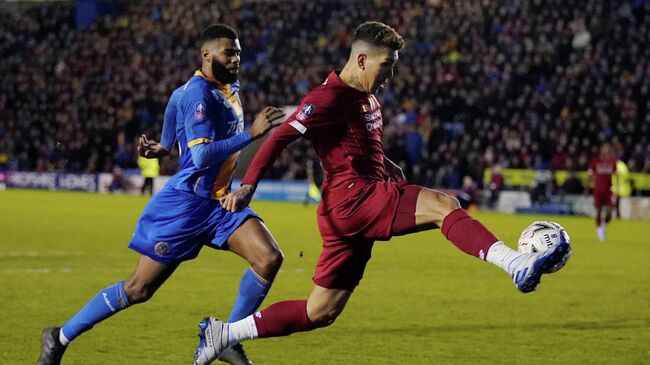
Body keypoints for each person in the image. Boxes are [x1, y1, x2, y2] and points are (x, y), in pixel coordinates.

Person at [192, 22, 571, 364]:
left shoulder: (367, 97)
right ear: (360, 59)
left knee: (320, 311)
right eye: (386, 64)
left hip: (350, 208)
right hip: (354, 199)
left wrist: (387, 164)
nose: (391, 73)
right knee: (444, 205)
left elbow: (360, 144)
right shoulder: (327, 98)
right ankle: (514, 263)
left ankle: (224, 333)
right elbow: (280, 138)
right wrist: (248, 186)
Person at [38, 24, 286, 365]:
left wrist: (165, 146)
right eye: (229, 52)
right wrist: (251, 134)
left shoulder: (218, 88)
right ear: (206, 54)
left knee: (268, 258)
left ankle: (227, 337)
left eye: (239, 52)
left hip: (221, 202)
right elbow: (200, 156)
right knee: (139, 288)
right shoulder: (200, 94)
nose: (236, 58)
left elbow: (174, 110)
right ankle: (59, 337)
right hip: (185, 207)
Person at [587, 143, 617, 241]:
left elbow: (616, 175)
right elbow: (590, 175)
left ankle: (602, 226)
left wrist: (616, 188)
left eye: (607, 149)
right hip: (598, 190)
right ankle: (599, 229)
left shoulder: (612, 162)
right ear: (601, 150)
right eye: (604, 149)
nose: (605, 151)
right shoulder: (595, 161)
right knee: (599, 211)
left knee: (609, 213)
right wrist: (588, 187)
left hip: (608, 190)